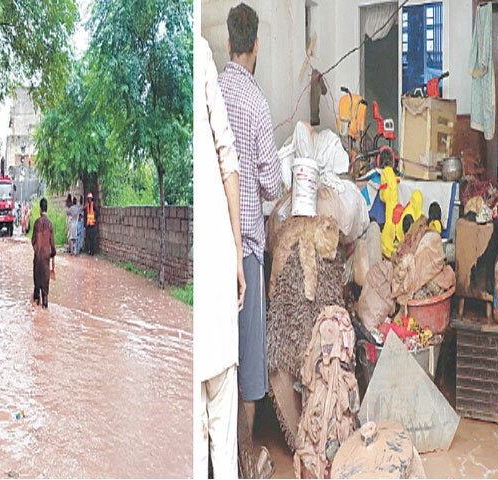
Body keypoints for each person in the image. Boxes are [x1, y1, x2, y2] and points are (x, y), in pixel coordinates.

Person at [217, 2, 281, 444]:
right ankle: (244, 453)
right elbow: (273, 184)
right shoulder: (257, 104)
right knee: (250, 359)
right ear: (255, 45)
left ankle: (218, 456)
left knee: (221, 358)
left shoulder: (212, 92)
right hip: (248, 251)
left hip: (218, 244)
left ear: (228, 43)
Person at [194, 35, 246, 479]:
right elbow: (230, 161)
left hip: (199, 296)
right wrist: (236, 253)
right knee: (223, 448)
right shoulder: (199, 51)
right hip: (215, 275)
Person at [31, 197, 56, 308]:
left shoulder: (37, 223)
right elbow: (53, 244)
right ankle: (44, 310)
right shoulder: (50, 224)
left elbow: (33, 240)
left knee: (37, 288)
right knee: (45, 292)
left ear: (40, 209)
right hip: (46, 259)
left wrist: (37, 250)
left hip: (37, 258)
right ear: (47, 209)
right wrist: (52, 254)